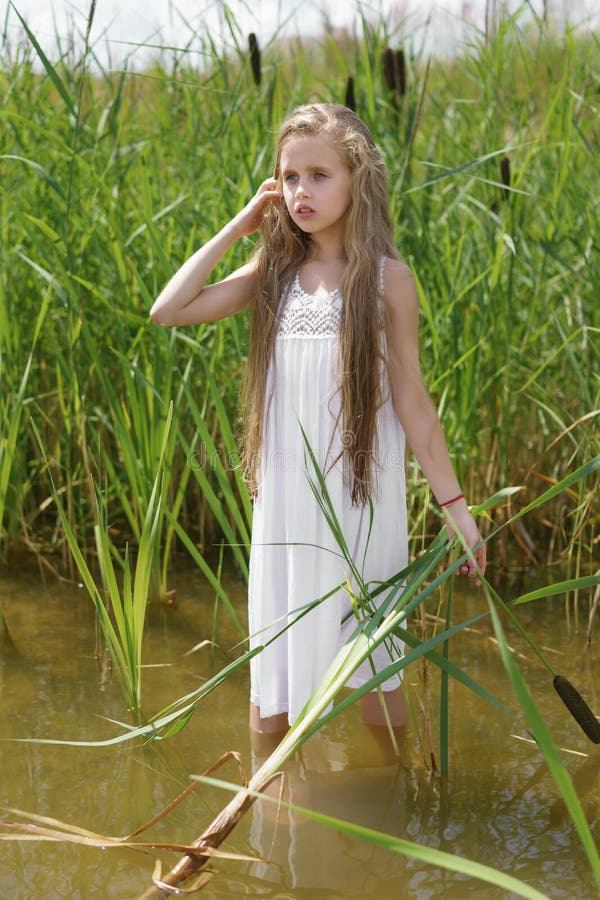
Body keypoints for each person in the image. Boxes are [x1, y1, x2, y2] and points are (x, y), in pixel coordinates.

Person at [150, 103, 486, 739]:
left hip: (359, 494)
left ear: (358, 179)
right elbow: (169, 310)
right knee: (274, 667)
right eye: (290, 176)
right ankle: (271, 812)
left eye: (320, 175)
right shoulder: (274, 275)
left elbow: (413, 400)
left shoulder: (388, 280)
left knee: (372, 658)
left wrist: (457, 508)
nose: (302, 191)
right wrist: (242, 224)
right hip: (285, 501)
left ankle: (387, 807)